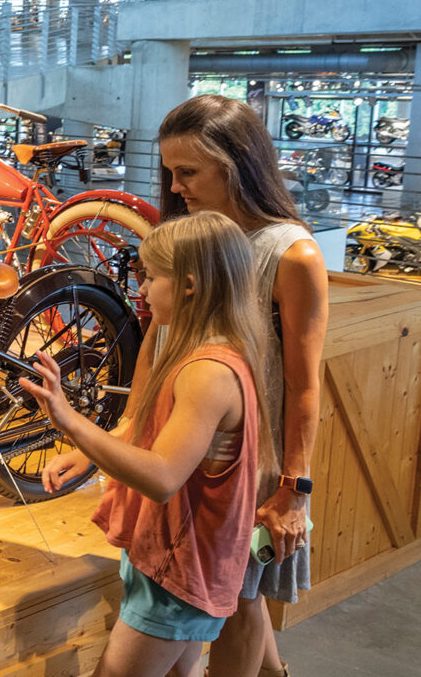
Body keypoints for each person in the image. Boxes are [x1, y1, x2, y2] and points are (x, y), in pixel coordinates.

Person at [23, 211, 271, 677]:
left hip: (180, 568)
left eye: (151, 277)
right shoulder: (204, 352)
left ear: (190, 285)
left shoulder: (208, 372)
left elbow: (162, 476)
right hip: (174, 558)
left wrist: (72, 421)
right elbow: (153, 434)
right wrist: (87, 453)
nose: (142, 290)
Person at [156, 95, 329, 677]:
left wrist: (293, 490)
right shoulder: (193, 240)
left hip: (253, 463)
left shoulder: (292, 252)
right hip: (190, 448)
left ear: (236, 164)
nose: (176, 186)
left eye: (188, 172)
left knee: (238, 598)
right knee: (225, 592)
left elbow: (305, 385)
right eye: (170, 173)